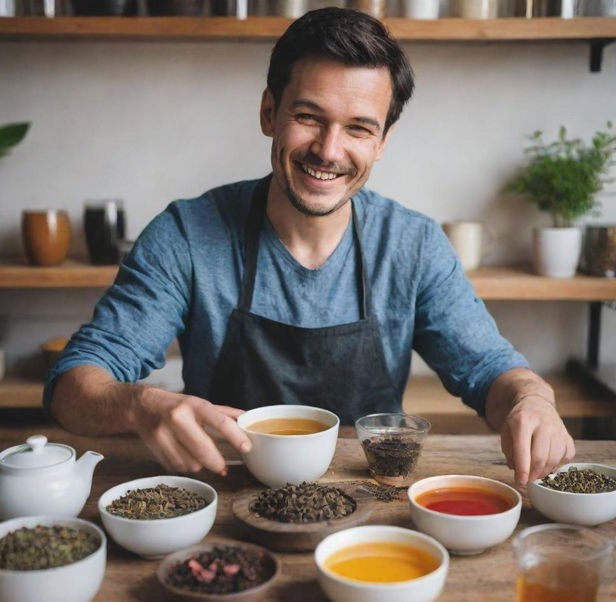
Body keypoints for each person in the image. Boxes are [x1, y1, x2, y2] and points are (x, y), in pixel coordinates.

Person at [45, 7, 574, 488]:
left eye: (358, 128)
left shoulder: (412, 245)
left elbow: (490, 370)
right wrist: (141, 405)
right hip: (218, 491)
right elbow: (74, 386)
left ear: (382, 142)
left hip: (371, 496)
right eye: (308, 117)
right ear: (269, 112)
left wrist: (532, 401)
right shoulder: (186, 234)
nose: (328, 149)